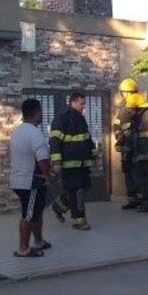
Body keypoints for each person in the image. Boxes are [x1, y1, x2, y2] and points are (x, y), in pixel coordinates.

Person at [10, 98, 53, 257]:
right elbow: (42, 158)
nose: (42, 114)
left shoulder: (18, 131)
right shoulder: (35, 133)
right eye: (41, 110)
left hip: (21, 179)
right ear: (36, 112)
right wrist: (48, 175)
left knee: (37, 212)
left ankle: (39, 241)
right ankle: (23, 249)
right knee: (28, 215)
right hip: (30, 182)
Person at [50, 91, 95, 230]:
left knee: (83, 188)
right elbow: (55, 141)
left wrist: (93, 153)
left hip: (83, 164)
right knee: (77, 192)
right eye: (82, 103)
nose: (84, 106)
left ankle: (59, 206)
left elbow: (87, 139)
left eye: (84, 103)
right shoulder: (61, 119)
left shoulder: (81, 119)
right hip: (70, 165)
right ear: (73, 102)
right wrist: (56, 162)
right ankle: (79, 221)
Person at [113, 77, 141, 209]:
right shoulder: (126, 108)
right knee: (129, 174)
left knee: (135, 174)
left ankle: (140, 200)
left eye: (123, 92)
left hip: (133, 149)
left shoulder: (132, 109)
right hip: (127, 148)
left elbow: (128, 131)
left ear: (127, 92)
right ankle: (133, 200)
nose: (122, 95)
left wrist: (125, 146)